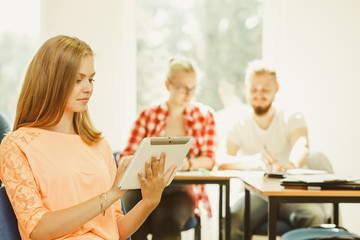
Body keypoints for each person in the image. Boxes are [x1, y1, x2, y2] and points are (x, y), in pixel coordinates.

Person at [0, 35, 176, 240]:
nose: (88, 88)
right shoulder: (17, 145)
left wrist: (149, 202)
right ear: (51, 81)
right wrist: (109, 196)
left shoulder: (99, 146)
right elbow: (37, 228)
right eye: (78, 80)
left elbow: (116, 230)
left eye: (91, 79)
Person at [218, 60, 326, 239]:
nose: (259, 94)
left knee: (315, 216)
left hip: (291, 188)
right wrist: (253, 160)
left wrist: (292, 164)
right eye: (254, 89)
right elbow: (221, 161)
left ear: (276, 88)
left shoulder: (291, 116)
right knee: (232, 219)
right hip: (254, 193)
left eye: (265, 89)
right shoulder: (237, 123)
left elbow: (301, 144)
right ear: (246, 88)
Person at [120, 56, 217, 240]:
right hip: (143, 187)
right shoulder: (148, 115)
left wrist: (188, 164)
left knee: (166, 223)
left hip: (180, 191)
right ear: (168, 85)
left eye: (192, 88)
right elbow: (126, 156)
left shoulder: (204, 116)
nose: (188, 94)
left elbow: (210, 159)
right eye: (182, 88)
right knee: (130, 221)